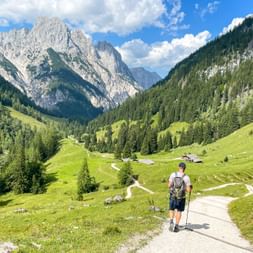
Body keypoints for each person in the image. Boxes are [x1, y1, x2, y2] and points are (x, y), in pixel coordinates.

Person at [168, 162, 192, 232]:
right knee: (179, 211)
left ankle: (171, 222)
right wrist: (190, 188)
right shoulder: (186, 177)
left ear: (179, 167)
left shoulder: (173, 174)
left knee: (171, 209)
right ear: (184, 169)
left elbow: (169, 186)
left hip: (173, 195)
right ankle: (176, 226)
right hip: (181, 197)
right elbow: (188, 190)